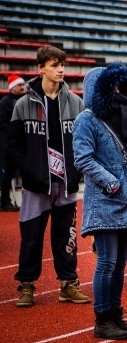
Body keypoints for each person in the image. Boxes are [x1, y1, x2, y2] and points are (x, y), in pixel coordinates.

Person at [9, 46, 89, 308]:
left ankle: (68, 284)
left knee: (66, 236)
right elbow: (14, 145)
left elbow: (82, 142)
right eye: (55, 65)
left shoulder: (76, 103)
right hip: (35, 185)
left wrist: (75, 171)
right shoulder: (23, 104)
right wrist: (29, 170)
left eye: (63, 64)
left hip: (66, 185)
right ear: (41, 68)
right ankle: (27, 285)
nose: (61, 69)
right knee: (31, 236)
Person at [73, 64, 127, 340]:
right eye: (109, 86)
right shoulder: (86, 119)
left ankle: (115, 313)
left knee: (119, 264)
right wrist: (111, 182)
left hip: (124, 200)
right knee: (106, 261)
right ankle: (102, 319)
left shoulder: (121, 115)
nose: (116, 91)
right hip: (104, 200)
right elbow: (83, 159)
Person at [1, 73, 25, 211]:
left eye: (23, 84)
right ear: (12, 87)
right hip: (10, 145)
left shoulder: (26, 101)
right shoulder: (5, 102)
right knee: (7, 174)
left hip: (22, 145)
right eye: (19, 85)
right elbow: (2, 123)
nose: (22, 87)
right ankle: (4, 201)